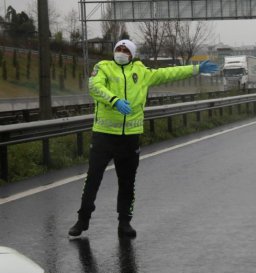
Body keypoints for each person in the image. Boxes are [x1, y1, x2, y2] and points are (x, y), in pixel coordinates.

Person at [68, 39, 219, 238]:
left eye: (125, 50)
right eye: (118, 49)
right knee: (93, 179)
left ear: (132, 54)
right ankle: (83, 219)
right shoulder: (103, 67)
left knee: (127, 182)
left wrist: (196, 69)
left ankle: (124, 222)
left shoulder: (142, 72)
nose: (120, 52)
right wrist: (114, 101)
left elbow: (168, 74)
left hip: (130, 137)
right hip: (104, 136)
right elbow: (95, 87)